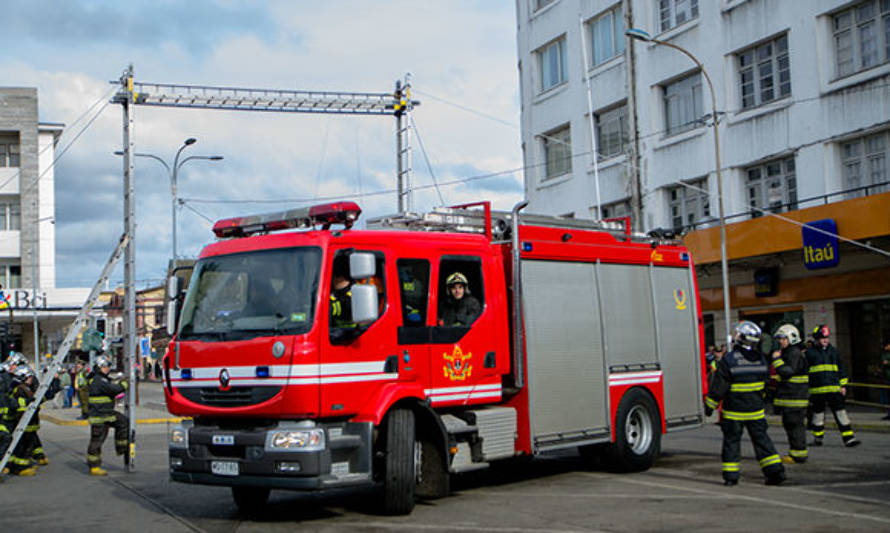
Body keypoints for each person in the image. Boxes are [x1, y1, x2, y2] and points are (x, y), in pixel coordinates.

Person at [704, 320, 785, 486]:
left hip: (734, 412)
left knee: (731, 444)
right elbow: (767, 385)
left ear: (740, 338)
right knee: (763, 442)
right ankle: (775, 472)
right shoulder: (761, 359)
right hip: (755, 411)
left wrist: (709, 406)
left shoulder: (729, 359)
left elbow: (719, 387)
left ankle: (731, 477)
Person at [805, 324, 860, 447]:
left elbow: (842, 369)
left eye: (826, 338)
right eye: (822, 338)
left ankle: (849, 438)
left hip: (834, 389)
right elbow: (805, 372)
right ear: (816, 339)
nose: (825, 340)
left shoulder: (834, 351)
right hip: (817, 391)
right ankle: (818, 438)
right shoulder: (809, 353)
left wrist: (844, 386)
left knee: (841, 414)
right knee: (818, 416)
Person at [771, 324, 809, 464]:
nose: (781, 341)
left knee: (794, 426)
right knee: (792, 425)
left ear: (791, 338)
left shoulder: (793, 353)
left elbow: (787, 372)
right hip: (792, 397)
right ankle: (796, 452)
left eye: (783, 338)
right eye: (780, 339)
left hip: (794, 397)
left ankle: (798, 454)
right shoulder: (790, 352)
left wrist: (776, 360)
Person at [86, 355, 129, 476]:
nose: (108, 369)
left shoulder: (100, 379)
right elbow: (113, 389)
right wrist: (124, 385)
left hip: (106, 413)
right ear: (99, 367)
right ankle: (94, 466)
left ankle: (121, 447)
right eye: (106, 366)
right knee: (97, 441)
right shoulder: (98, 380)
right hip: (100, 416)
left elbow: (110, 384)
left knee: (123, 421)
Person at [329, 261, 355, 328]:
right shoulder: (333, 293)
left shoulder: (354, 294)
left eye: (334, 275)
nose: (332, 279)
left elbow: (343, 306)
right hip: (334, 334)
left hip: (351, 334)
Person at [880, 339, 890, 420]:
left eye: (887, 345)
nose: (885, 347)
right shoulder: (884, 354)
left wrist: (888, 363)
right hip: (886, 378)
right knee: (888, 396)